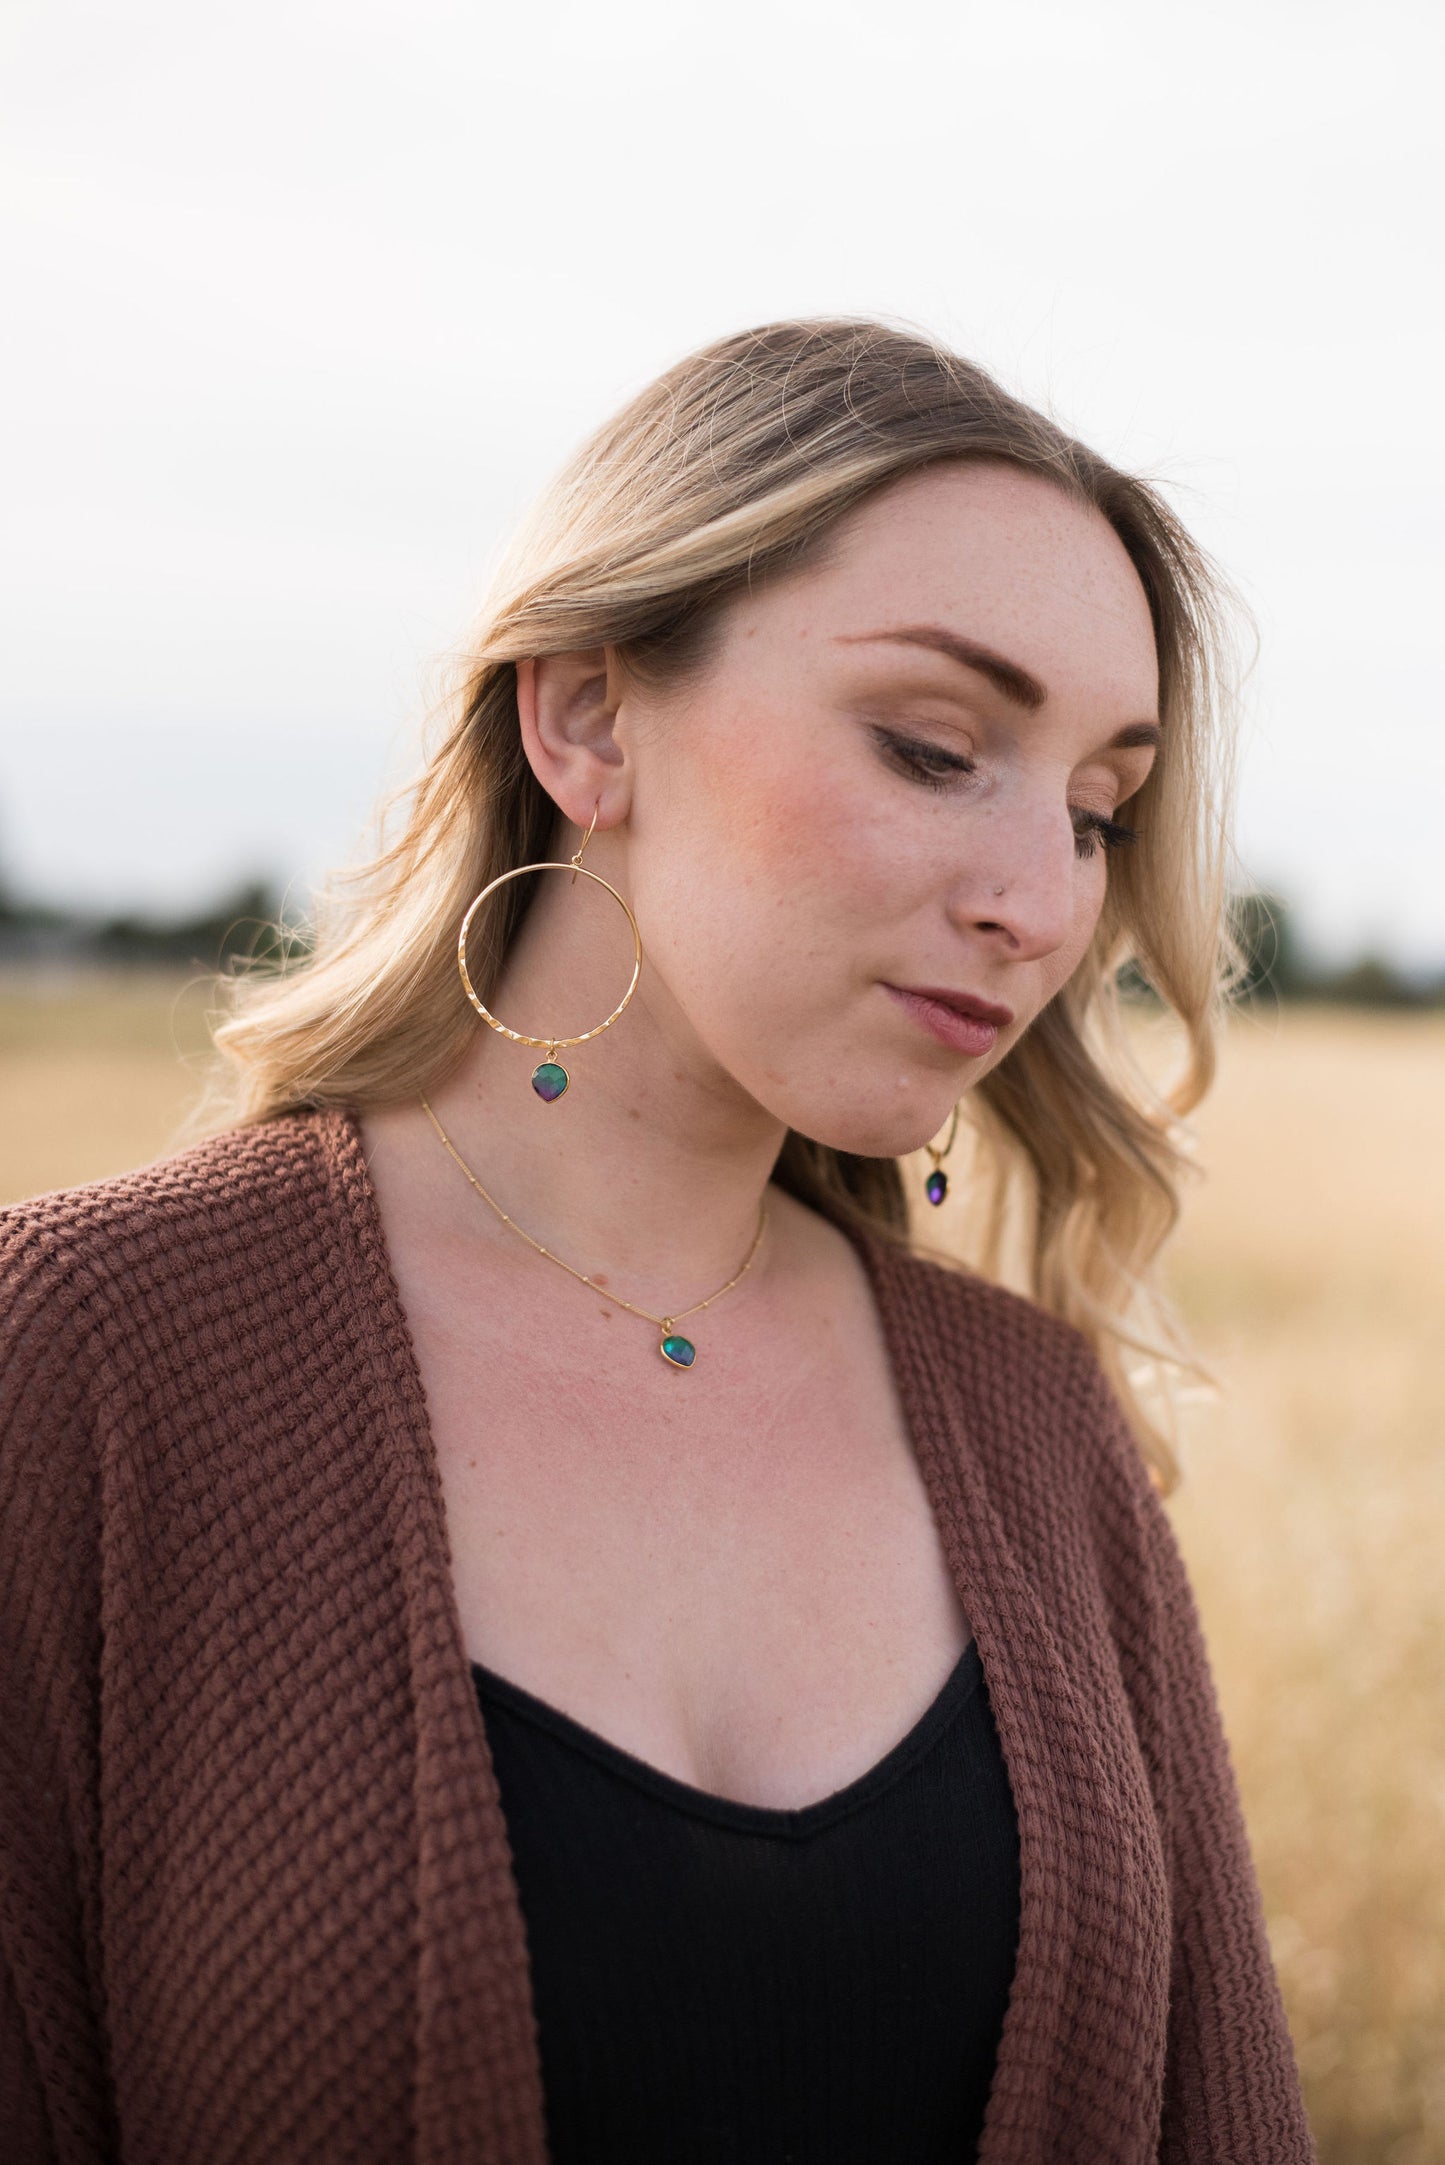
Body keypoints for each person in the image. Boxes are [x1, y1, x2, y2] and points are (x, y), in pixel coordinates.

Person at [0, 318, 1316, 2163]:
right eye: (937, 748)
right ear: (587, 716)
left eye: (1098, 807)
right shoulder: (83, 1358)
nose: (1040, 901)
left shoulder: (1037, 1429)